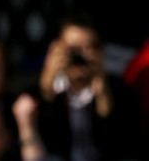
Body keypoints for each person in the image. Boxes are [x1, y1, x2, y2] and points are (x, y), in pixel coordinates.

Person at [36, 13, 142, 160]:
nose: (80, 58)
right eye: (73, 50)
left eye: (89, 48)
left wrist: (103, 93)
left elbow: (123, 145)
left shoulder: (121, 91)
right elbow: (46, 139)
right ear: (57, 49)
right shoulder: (45, 92)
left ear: (101, 50)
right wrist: (47, 86)